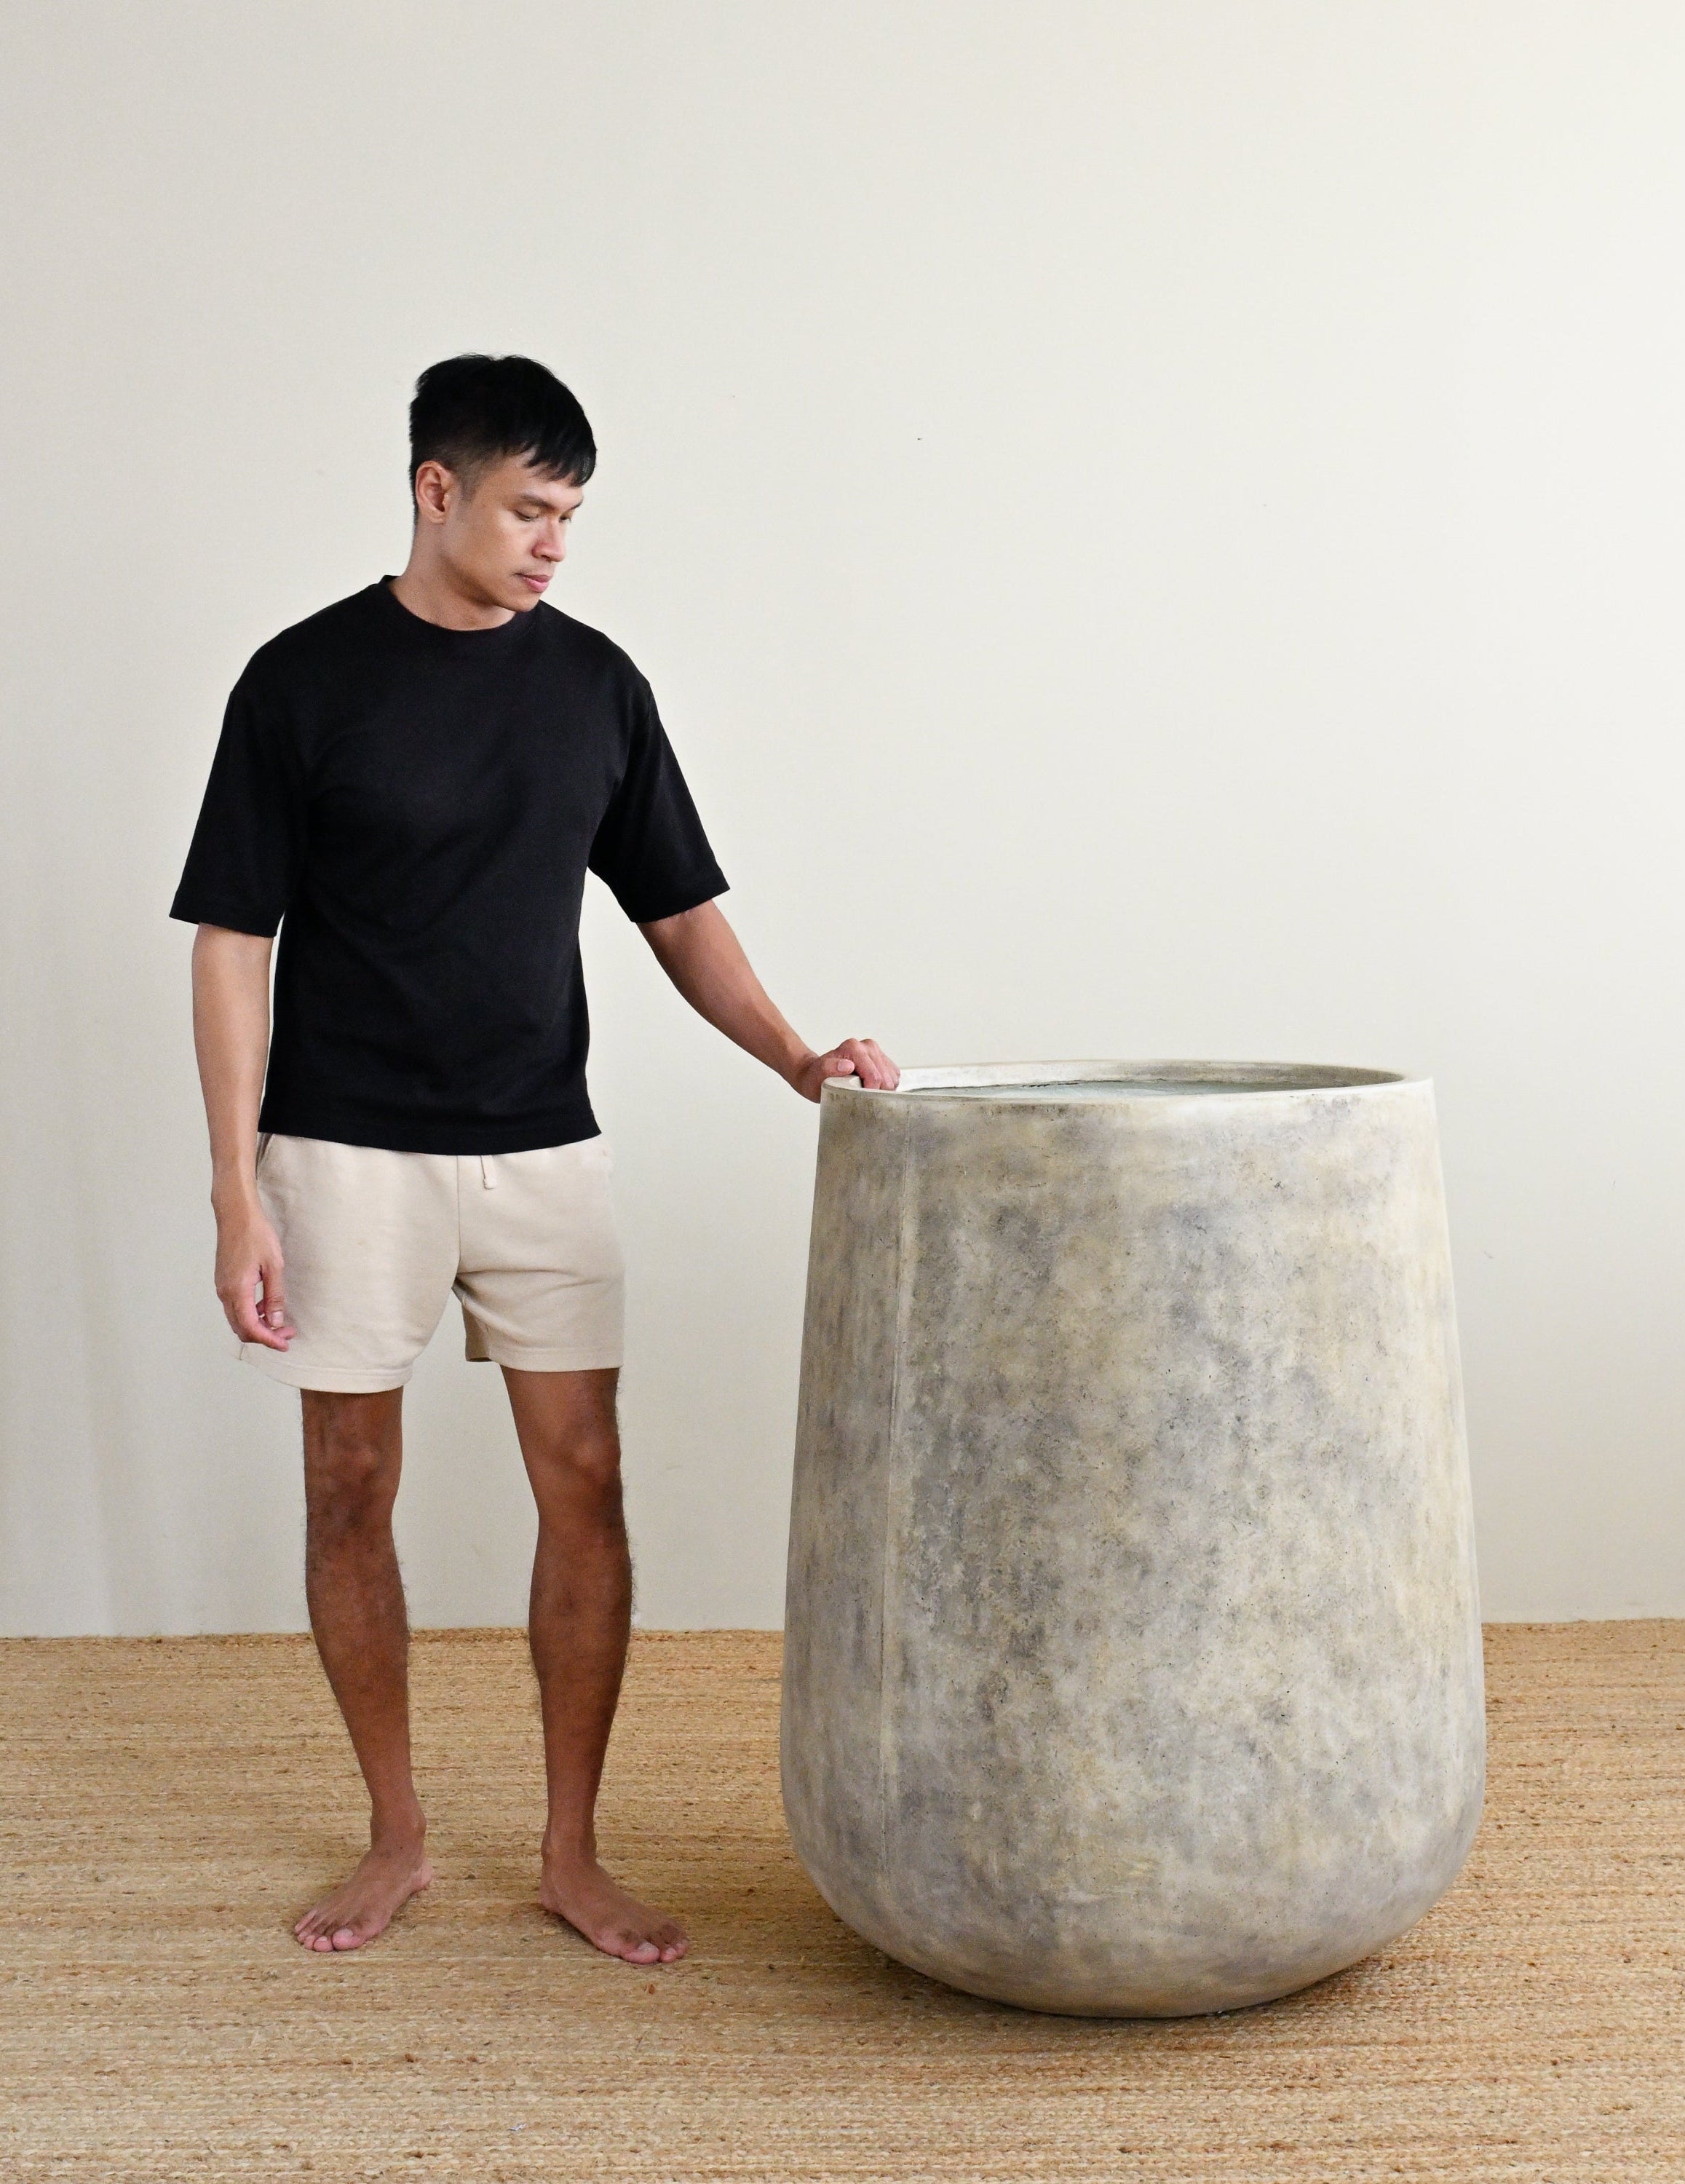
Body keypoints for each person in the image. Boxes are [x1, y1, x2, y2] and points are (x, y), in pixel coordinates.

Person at [170, 353, 899, 1965]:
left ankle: (573, 1852)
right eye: (529, 510)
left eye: (572, 515)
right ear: (436, 491)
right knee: (349, 1485)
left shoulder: (596, 687)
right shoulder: (301, 681)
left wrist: (795, 1057)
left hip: (542, 1149)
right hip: (344, 1151)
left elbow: (679, 912)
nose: (556, 543)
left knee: (587, 1482)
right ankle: (399, 1834)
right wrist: (236, 1190)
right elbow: (231, 941)